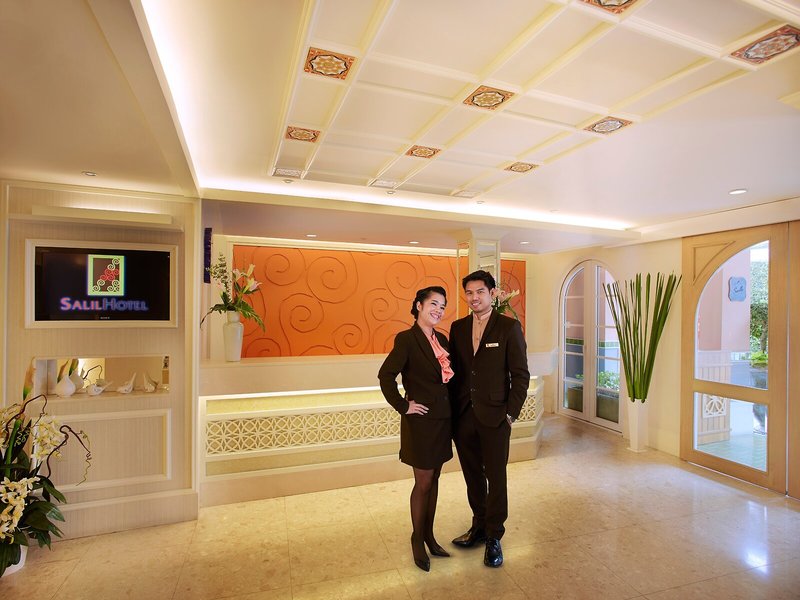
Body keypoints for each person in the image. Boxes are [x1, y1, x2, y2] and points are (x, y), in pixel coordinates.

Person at [447, 270, 529, 567]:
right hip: (464, 416)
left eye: (480, 291)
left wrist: (510, 414)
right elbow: (454, 372)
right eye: (469, 293)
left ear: (493, 293)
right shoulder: (457, 328)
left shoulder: (508, 327)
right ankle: (479, 526)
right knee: (472, 475)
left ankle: (494, 535)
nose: (474, 298)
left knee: (496, 477)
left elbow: (520, 375)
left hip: (496, 417)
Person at [378, 286, 454, 572]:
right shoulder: (407, 339)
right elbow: (386, 376)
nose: (438, 310)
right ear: (419, 306)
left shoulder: (442, 339)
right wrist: (403, 405)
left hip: (443, 420)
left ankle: (430, 536)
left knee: (435, 479)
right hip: (420, 422)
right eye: (433, 304)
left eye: (442, 306)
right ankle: (417, 539)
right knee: (423, 483)